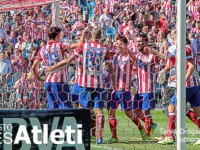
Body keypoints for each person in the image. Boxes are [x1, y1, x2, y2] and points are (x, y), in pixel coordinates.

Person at [45, 27, 116, 144]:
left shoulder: (84, 46)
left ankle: (83, 134)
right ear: (100, 36)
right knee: (99, 111)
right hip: (99, 83)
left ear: (91, 36)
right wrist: (114, 84)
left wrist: (53, 67)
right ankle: (99, 137)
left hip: (84, 83)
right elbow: (111, 69)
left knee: (83, 109)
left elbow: (68, 60)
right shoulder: (104, 49)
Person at [157, 29, 200, 145]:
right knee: (197, 112)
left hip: (187, 85)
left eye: (172, 36)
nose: (171, 38)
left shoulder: (185, 48)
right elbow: (185, 67)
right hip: (195, 84)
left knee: (171, 107)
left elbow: (191, 67)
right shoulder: (186, 48)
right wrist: (175, 77)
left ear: (177, 37)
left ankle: (170, 136)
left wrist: (182, 80)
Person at [32, 27, 73, 109]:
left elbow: (33, 66)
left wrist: (38, 77)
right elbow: (75, 46)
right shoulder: (60, 46)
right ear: (57, 35)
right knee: (66, 109)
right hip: (59, 81)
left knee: (53, 109)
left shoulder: (42, 49)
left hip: (48, 82)